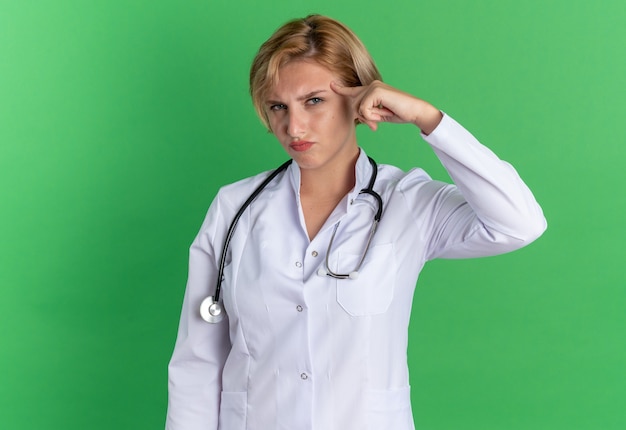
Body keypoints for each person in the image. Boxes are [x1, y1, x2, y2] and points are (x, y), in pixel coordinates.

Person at [165, 14, 546, 430]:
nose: (294, 127)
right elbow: (197, 363)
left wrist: (428, 119)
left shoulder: (410, 203)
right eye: (278, 106)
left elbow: (520, 223)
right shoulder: (235, 208)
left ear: (360, 97)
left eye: (314, 101)